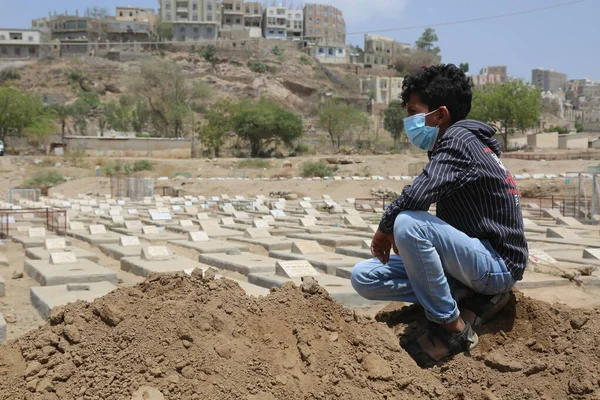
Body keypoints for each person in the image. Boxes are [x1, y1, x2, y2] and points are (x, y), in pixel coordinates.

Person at [351, 64, 528, 368]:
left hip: (497, 264)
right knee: (364, 277)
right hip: (473, 262)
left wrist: (385, 228)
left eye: (415, 112)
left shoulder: (460, 140)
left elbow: (418, 194)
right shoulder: (459, 144)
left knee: (408, 222)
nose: (410, 122)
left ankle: (453, 329)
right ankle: (470, 298)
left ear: (441, 115)